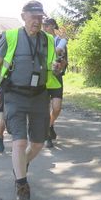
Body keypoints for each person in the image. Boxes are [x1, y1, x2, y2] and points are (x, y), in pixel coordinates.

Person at [0, 0, 63, 200]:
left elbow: (52, 66)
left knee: (39, 143)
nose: (37, 21)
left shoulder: (48, 40)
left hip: (40, 96)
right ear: (23, 16)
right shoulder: (11, 36)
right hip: (14, 95)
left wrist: (56, 68)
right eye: (33, 17)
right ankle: (22, 187)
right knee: (19, 143)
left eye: (40, 17)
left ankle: (20, 166)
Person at [42, 17, 67, 148]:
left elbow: (64, 61)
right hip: (43, 79)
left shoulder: (60, 41)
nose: (43, 28)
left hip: (56, 78)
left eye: (46, 25)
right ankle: (46, 135)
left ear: (52, 26)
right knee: (45, 108)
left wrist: (60, 67)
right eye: (43, 25)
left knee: (57, 108)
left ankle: (50, 124)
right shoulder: (40, 41)